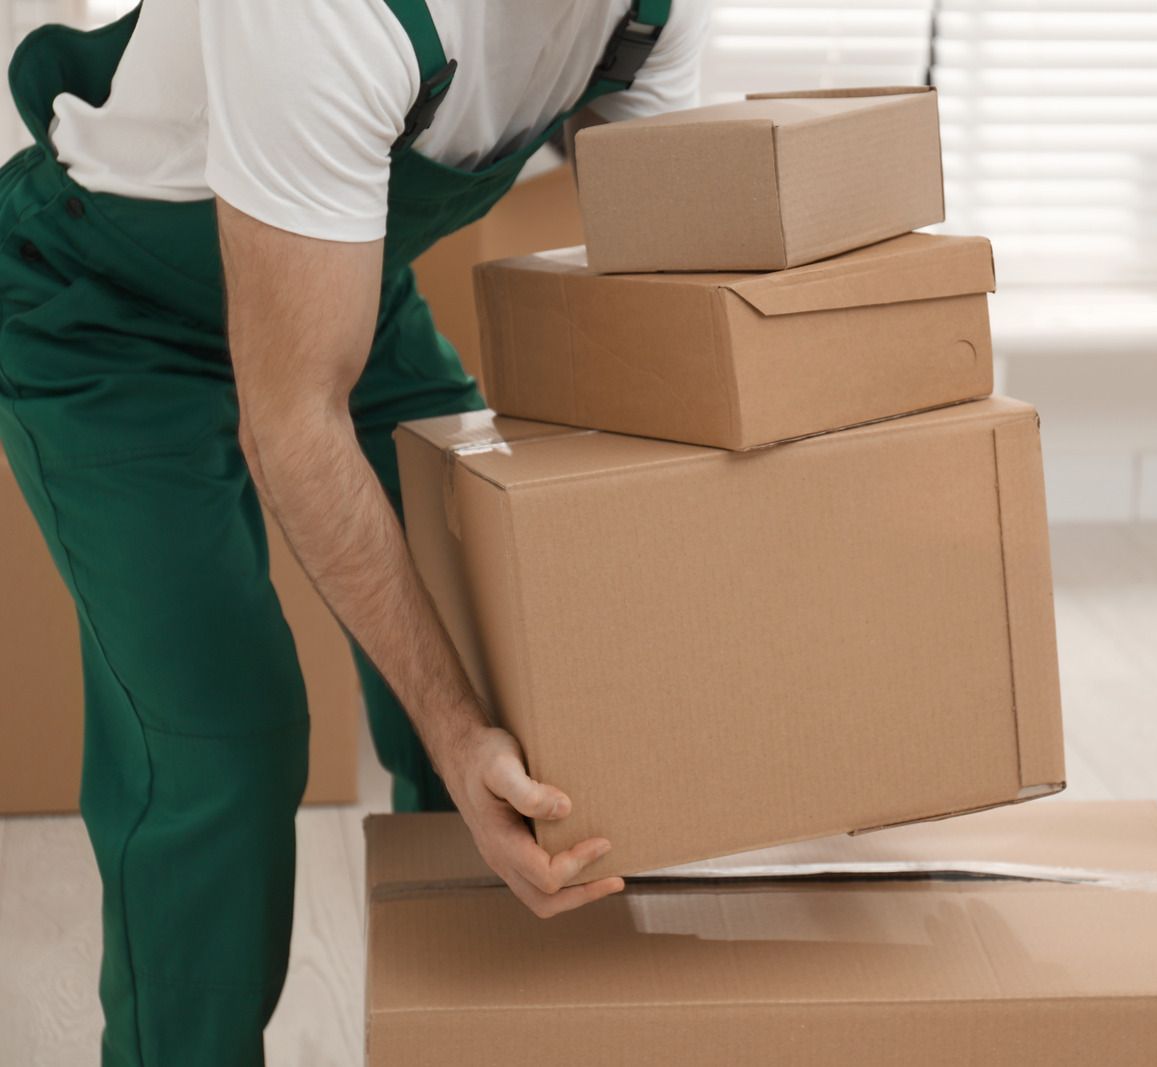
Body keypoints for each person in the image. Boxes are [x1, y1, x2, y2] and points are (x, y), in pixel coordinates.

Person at [0, 1, 707, 1063]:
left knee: (519, 669)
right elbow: (292, 422)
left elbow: (661, 291)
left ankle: (478, 1033)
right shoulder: (323, 13)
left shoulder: (653, 8)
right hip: (108, 321)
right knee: (221, 742)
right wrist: (453, 729)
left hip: (338, 293)